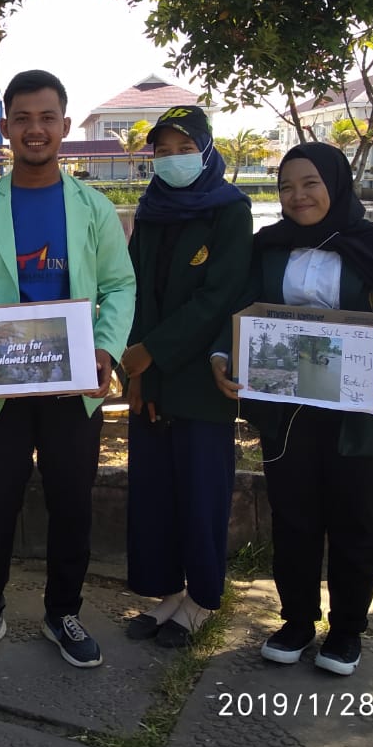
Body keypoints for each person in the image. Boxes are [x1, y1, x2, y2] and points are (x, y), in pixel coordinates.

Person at [211, 142, 373, 676]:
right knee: (293, 517)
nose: (297, 197)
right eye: (286, 187)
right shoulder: (267, 248)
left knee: (356, 520)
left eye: (310, 184)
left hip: (359, 414)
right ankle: (296, 621)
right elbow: (240, 311)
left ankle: (345, 631)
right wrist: (224, 356)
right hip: (287, 411)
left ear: (336, 185)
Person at [0, 69, 136, 669]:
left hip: (73, 384)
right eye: (22, 118)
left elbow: (121, 286)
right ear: (5, 128)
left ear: (65, 127)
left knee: (71, 500)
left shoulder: (93, 208)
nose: (35, 129)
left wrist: (106, 350)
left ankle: (63, 613)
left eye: (47, 117)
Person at [119, 106, 252, 648]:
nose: (172, 159)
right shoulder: (150, 211)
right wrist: (137, 370)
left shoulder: (230, 210)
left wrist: (153, 351)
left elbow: (219, 296)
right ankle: (167, 591)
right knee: (155, 491)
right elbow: (132, 287)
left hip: (201, 377)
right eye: (163, 150)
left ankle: (200, 599)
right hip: (149, 375)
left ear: (206, 149)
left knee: (201, 491)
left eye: (183, 148)